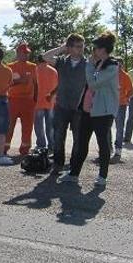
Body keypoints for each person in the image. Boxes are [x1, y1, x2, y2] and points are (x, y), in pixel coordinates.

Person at [59, 31, 119, 187]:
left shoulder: (112, 66)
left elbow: (93, 83)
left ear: (102, 50)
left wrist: (89, 66)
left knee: (103, 144)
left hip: (103, 112)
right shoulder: (96, 64)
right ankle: (73, 174)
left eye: (95, 48)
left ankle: (102, 176)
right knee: (82, 143)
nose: (92, 51)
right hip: (87, 110)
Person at [42, 33, 87, 174]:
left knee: (78, 139)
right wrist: (62, 48)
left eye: (82, 46)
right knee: (58, 136)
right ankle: (58, 164)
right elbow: (45, 57)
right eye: (77, 46)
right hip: (61, 106)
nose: (81, 49)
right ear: (70, 47)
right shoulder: (62, 62)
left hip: (79, 108)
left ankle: (74, 166)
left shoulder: (88, 64)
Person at [6, 42, 38, 156]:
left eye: (27, 53)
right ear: (18, 53)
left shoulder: (33, 67)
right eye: (24, 53)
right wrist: (19, 81)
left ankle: (25, 149)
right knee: (9, 125)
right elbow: (6, 84)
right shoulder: (9, 67)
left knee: (28, 126)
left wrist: (35, 100)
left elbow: (36, 84)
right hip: (13, 100)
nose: (26, 55)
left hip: (28, 101)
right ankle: (4, 147)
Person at [34, 55, 58, 150]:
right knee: (50, 125)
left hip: (38, 101)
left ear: (38, 60)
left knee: (39, 125)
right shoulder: (54, 71)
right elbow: (57, 85)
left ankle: (41, 144)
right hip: (50, 101)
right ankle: (52, 144)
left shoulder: (35, 70)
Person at [113, 58, 133, 159]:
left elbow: (131, 91)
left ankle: (118, 149)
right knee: (105, 127)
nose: (118, 65)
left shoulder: (125, 76)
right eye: (116, 63)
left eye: (120, 64)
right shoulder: (108, 74)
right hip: (108, 104)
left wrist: (125, 98)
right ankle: (107, 147)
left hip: (121, 105)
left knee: (119, 127)